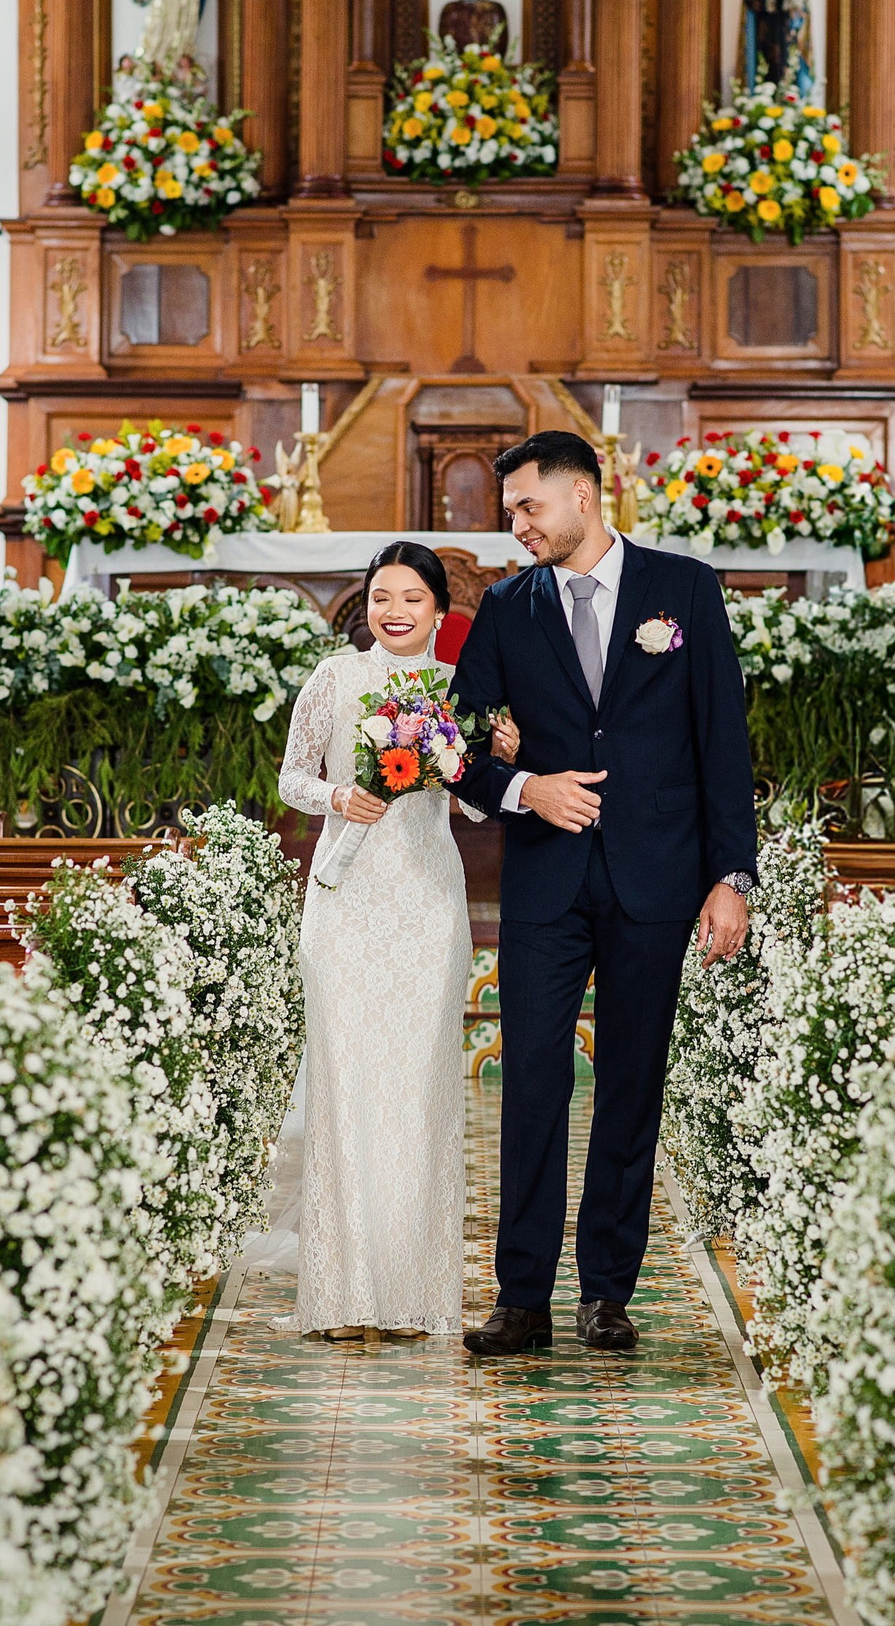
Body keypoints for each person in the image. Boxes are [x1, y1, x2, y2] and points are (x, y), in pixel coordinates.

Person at [448, 431, 758, 1355]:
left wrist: (729, 876)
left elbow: (722, 744)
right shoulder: (506, 609)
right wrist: (523, 788)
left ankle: (607, 1293)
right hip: (545, 880)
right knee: (531, 1083)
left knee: (631, 1083)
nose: (517, 527)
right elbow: (455, 744)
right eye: (511, 514)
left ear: (584, 496)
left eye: (528, 508)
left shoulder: (685, 591)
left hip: (656, 875)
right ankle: (523, 1297)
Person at [274, 542, 518, 1340]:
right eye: (382, 595)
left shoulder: (460, 692)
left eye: (412, 597)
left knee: (418, 1088)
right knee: (346, 1084)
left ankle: (412, 1291)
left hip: (425, 902)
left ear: (440, 611)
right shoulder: (334, 678)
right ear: (365, 604)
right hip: (344, 903)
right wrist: (341, 792)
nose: (395, 610)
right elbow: (292, 779)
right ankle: (344, 1294)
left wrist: (498, 762)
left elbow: (482, 810)